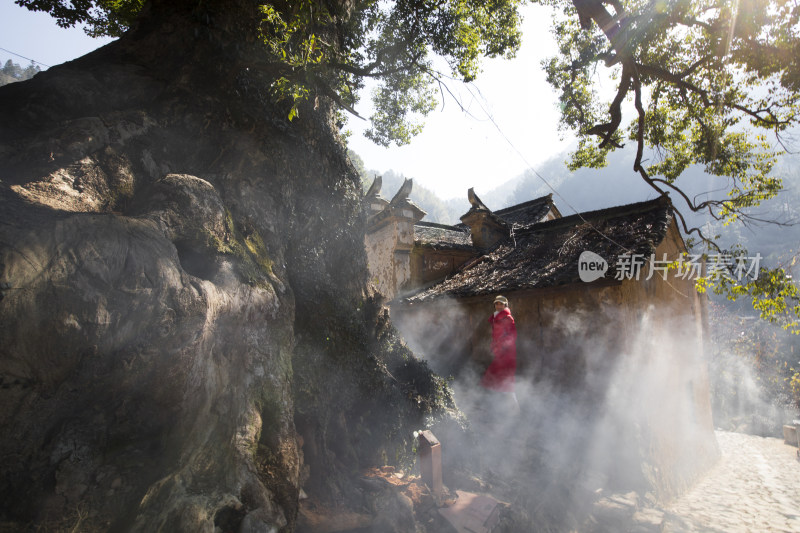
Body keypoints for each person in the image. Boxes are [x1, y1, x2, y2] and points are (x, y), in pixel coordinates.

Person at [480, 295, 518, 410]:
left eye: (501, 304)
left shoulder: (507, 318)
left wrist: (500, 346)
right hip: (500, 354)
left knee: (504, 380)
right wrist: (494, 346)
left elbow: (512, 336)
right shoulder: (495, 318)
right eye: (497, 303)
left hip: (507, 354)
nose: (499, 306)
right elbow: (496, 337)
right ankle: (502, 408)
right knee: (497, 380)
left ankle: (514, 409)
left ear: (505, 305)